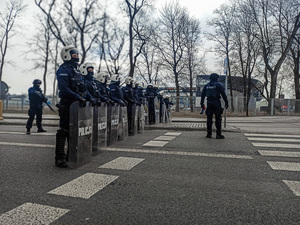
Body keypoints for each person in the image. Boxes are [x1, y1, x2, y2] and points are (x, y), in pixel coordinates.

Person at [55, 46, 95, 168]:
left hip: (78, 104)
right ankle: (59, 157)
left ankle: (72, 154)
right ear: (67, 55)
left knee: (75, 130)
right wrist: (77, 96)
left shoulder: (77, 70)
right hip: (68, 104)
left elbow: (83, 87)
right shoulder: (64, 69)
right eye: (74, 55)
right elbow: (64, 88)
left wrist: (88, 97)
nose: (77, 57)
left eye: (77, 55)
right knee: (64, 130)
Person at [200, 73, 229, 139]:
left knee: (209, 118)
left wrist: (202, 104)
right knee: (218, 118)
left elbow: (203, 95)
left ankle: (209, 133)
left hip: (209, 102)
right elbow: (223, 94)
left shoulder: (206, 85)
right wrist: (226, 102)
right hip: (216, 102)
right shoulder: (218, 85)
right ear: (216, 78)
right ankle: (218, 134)